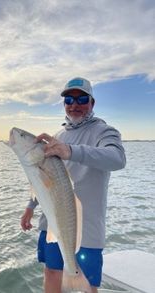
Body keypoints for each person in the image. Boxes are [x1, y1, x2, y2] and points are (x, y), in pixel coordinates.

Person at [20, 77, 126, 293]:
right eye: (69, 99)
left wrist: (70, 151)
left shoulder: (104, 131)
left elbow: (117, 159)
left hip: (86, 226)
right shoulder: (58, 136)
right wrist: (30, 207)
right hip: (52, 223)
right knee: (51, 272)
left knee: (86, 283)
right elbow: (45, 179)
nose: (74, 105)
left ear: (92, 103)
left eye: (81, 99)